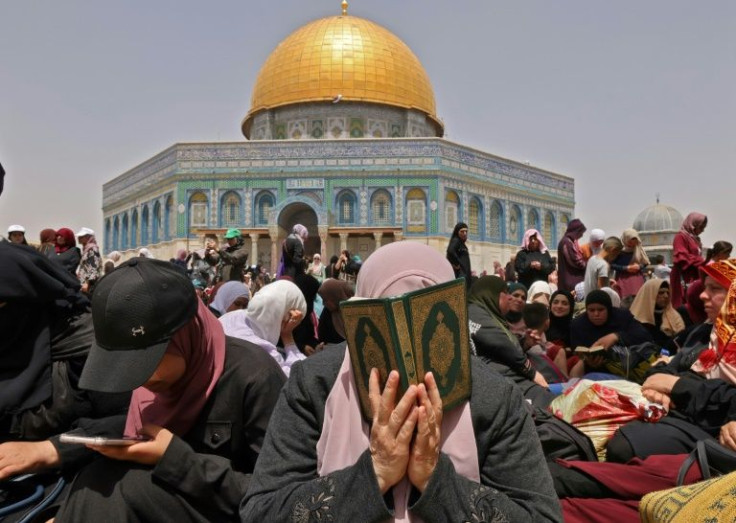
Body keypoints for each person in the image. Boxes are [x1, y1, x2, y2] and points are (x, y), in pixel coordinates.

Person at [242, 242, 562, 522]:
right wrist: (374, 473)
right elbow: (262, 511)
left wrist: (436, 479)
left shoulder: (491, 398)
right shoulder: (316, 383)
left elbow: (541, 516)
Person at [53, 258, 285, 522]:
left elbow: (280, 495)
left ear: (185, 336)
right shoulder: (152, 388)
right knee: (97, 478)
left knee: (128, 488)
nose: (139, 380)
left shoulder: (254, 378)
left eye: (143, 363)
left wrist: (177, 460)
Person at [606, 260, 736, 463]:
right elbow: (660, 370)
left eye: (715, 288)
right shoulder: (705, 333)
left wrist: (676, 385)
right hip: (681, 415)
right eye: (705, 287)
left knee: (624, 446)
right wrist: (658, 385)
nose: (702, 295)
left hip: (710, 430)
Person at [468, 275, 552, 403]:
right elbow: (501, 344)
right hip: (503, 388)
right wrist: (533, 373)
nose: (510, 297)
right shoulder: (474, 312)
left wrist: (525, 343)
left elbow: (498, 348)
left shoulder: (490, 316)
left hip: (512, 383)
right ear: (491, 293)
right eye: (506, 292)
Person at [219, 279, 306, 377]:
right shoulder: (264, 351)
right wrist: (288, 337)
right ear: (285, 316)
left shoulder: (230, 317)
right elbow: (298, 377)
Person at [569, 290, 654, 381]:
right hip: (595, 372)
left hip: (630, 369)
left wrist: (616, 336)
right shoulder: (578, 325)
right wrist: (588, 361)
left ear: (608, 309)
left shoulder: (622, 317)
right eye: (591, 310)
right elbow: (577, 351)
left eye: (601, 310)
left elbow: (645, 336)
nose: (596, 314)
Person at [629, 279, 685, 353]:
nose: (666, 296)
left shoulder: (674, 317)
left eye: (668, 293)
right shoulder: (636, 319)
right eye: (661, 292)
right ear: (649, 294)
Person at [670, 212, 707, 308]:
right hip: (684, 276)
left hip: (694, 275)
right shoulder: (680, 237)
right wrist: (702, 261)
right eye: (701, 227)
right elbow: (682, 257)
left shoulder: (695, 239)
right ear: (693, 225)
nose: (703, 230)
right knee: (684, 305)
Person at [611, 229, 649, 298]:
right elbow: (612, 264)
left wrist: (639, 266)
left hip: (637, 279)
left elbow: (645, 262)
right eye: (630, 240)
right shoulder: (618, 251)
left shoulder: (638, 249)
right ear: (626, 239)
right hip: (623, 280)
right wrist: (626, 268)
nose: (632, 243)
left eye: (634, 240)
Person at [557, 219, 587, 292]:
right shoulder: (566, 242)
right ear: (576, 231)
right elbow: (574, 261)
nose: (581, 235)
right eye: (580, 232)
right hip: (571, 281)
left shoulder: (570, 241)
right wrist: (588, 265)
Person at [76, 227, 102, 295]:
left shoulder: (92, 248)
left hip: (89, 285)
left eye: (82, 236)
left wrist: (87, 283)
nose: (79, 238)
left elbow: (94, 266)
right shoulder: (86, 249)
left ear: (88, 237)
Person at [446, 222, 471, 286]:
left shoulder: (460, 243)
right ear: (457, 232)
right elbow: (450, 251)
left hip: (464, 275)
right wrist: (456, 263)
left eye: (466, 231)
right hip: (461, 276)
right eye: (462, 231)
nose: (465, 233)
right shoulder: (456, 240)